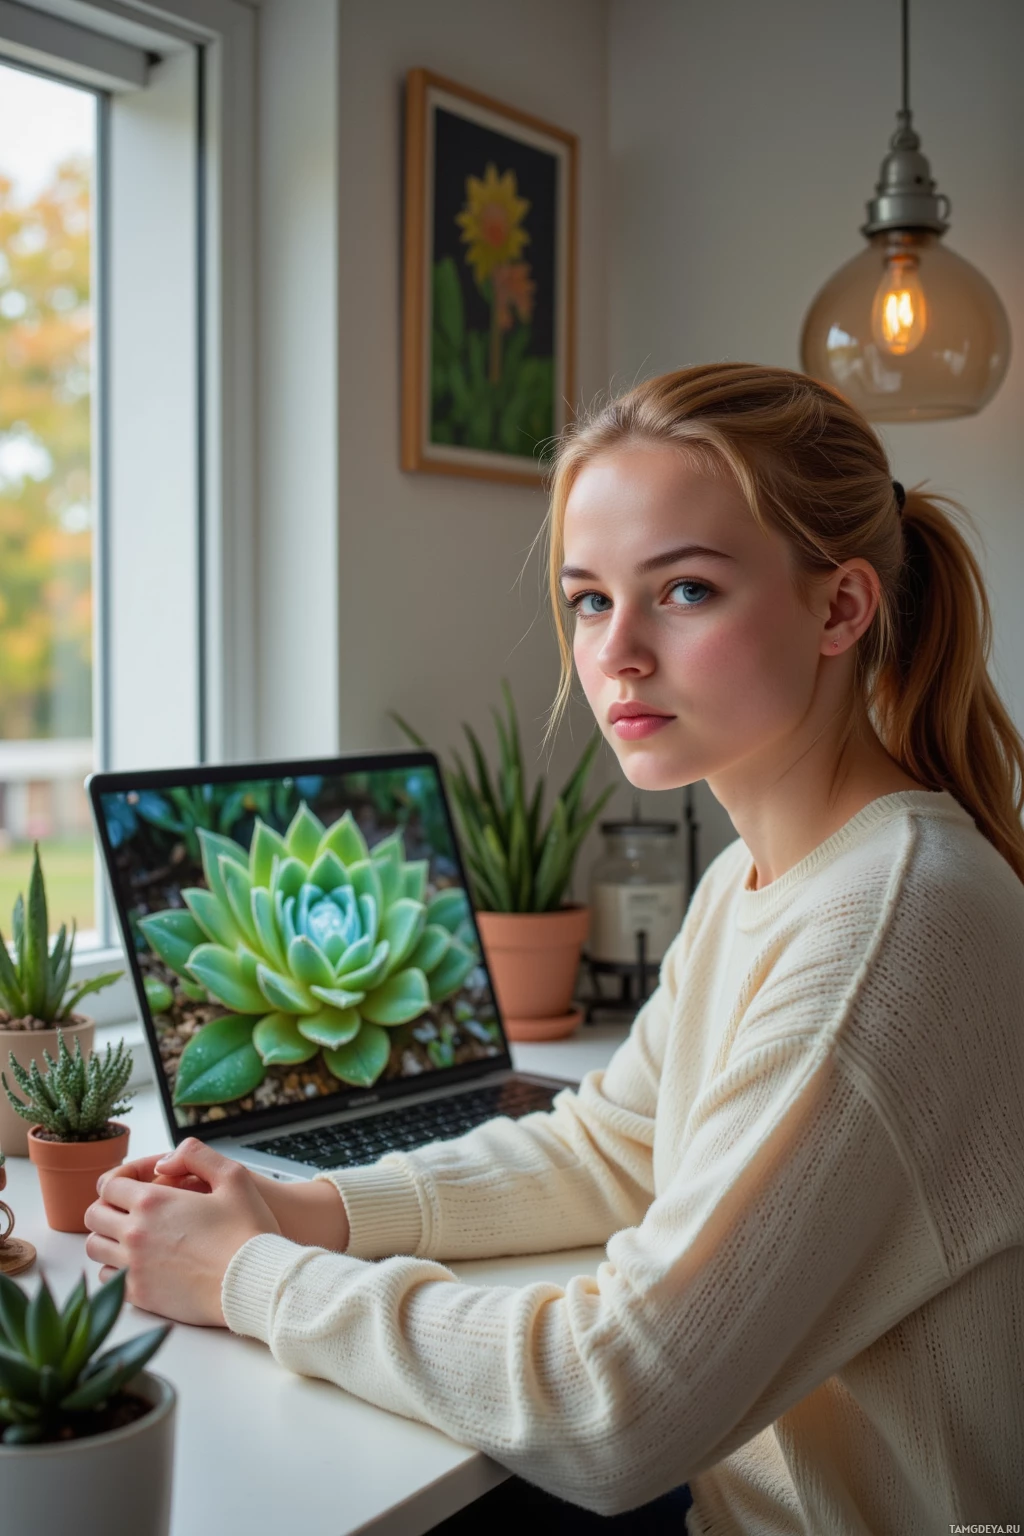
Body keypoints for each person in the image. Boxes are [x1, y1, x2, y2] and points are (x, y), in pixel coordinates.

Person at [85, 364, 1024, 1535]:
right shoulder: (759, 874)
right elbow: (617, 1147)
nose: (617, 652)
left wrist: (249, 1279)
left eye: (683, 590)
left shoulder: (889, 932)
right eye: (589, 599)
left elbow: (615, 1401)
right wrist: (307, 1209)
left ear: (838, 609)